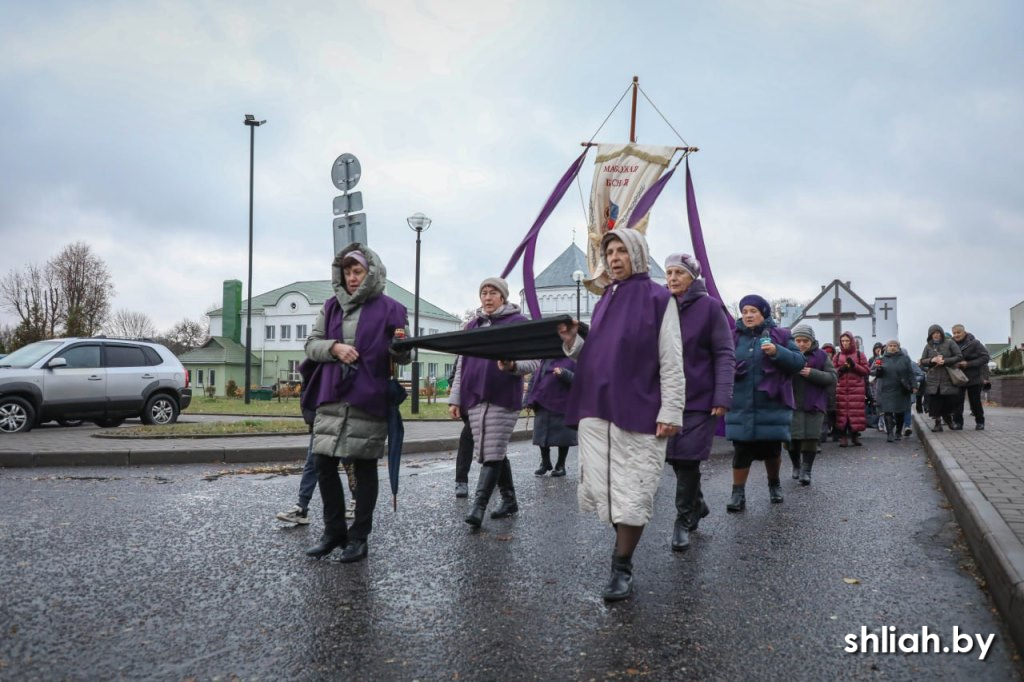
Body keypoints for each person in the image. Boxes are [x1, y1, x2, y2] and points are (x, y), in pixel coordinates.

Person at [558, 229, 684, 601]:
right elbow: (598, 352)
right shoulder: (605, 299)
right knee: (604, 489)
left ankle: (622, 565)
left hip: (640, 407)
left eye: (622, 252)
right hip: (597, 407)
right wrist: (572, 342)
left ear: (638, 255)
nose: (614, 258)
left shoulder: (659, 298)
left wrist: (671, 410)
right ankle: (621, 552)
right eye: (609, 252)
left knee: (633, 491)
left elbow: (671, 358)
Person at [301, 244, 410, 562]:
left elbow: (403, 355)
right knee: (323, 464)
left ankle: (359, 538)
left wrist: (401, 349)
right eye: (347, 271)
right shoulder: (330, 306)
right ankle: (334, 532)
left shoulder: (392, 308)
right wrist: (334, 347)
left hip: (368, 396)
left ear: (370, 273)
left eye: (358, 271)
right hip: (331, 395)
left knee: (363, 468)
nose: (351, 277)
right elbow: (311, 344)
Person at [448, 277, 538, 528]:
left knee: (492, 451)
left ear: (503, 297)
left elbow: (534, 361)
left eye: (492, 293)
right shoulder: (472, 326)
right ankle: (509, 499)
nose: (487, 298)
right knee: (494, 450)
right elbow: (461, 365)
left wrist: (512, 365)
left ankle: (478, 506)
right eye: (483, 293)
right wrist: (456, 399)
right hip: (475, 397)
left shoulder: (517, 324)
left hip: (503, 397)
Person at [663, 253, 733, 552]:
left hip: (700, 397)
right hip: (667, 396)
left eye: (679, 273)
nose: (672, 278)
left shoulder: (710, 307)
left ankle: (683, 521)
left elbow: (724, 353)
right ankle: (698, 502)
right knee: (673, 457)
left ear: (692, 277)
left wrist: (722, 395)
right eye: (668, 273)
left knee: (688, 457)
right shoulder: (662, 306)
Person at [725, 295, 805, 511]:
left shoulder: (781, 335)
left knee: (772, 449)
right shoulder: (732, 337)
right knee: (741, 450)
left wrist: (777, 351)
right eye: (745, 311)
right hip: (741, 404)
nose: (748, 315)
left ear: (764, 313)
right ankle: (737, 494)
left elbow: (798, 363)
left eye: (753, 311)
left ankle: (774, 485)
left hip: (772, 404)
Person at [787, 325, 836, 485]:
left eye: (805, 341)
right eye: (798, 340)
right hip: (791, 403)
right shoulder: (786, 354)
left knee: (810, 439)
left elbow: (832, 378)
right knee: (792, 440)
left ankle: (806, 470)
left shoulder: (821, 356)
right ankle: (796, 466)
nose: (801, 344)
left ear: (812, 341)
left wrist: (812, 373)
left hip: (814, 404)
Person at [524, 358, 577, 477]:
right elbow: (534, 380)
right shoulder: (544, 359)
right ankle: (545, 462)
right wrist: (527, 400)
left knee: (564, 437)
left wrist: (564, 373)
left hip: (563, 404)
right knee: (541, 434)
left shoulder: (572, 359)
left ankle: (561, 465)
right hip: (542, 401)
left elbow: (580, 380)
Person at [920, 324, 963, 432]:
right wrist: (932, 360)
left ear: (941, 334)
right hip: (933, 379)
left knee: (948, 401)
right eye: (934, 333)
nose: (936, 335)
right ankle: (937, 423)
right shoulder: (928, 346)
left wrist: (946, 361)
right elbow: (922, 361)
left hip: (947, 377)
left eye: (938, 333)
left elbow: (959, 356)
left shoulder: (950, 342)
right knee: (935, 403)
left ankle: (949, 420)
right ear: (930, 335)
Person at [870, 340, 914, 443]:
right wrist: (878, 370)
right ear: (886, 348)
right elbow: (873, 372)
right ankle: (890, 434)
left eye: (895, 346)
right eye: (890, 346)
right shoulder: (880, 359)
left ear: (898, 347)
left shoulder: (905, 359)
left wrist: (914, 385)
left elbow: (910, 373)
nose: (893, 347)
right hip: (886, 389)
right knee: (888, 412)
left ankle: (898, 432)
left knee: (899, 412)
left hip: (901, 389)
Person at [951, 324, 990, 430]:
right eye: (954, 333)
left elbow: (985, 357)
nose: (956, 335)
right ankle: (958, 423)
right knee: (957, 401)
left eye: (958, 332)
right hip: (958, 377)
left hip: (974, 377)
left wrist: (968, 364)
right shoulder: (951, 343)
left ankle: (980, 422)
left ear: (964, 332)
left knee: (975, 401)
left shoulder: (975, 343)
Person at [833, 331, 869, 447]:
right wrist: (841, 369)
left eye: (847, 341)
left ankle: (854, 435)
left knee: (855, 412)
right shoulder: (837, 356)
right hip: (842, 388)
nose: (845, 343)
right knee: (842, 413)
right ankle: (843, 436)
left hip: (856, 388)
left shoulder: (860, 355)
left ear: (852, 341)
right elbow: (832, 372)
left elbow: (866, 371)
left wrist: (854, 365)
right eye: (843, 341)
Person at [449, 357, 475, 498]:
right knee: (488, 441)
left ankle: (461, 480)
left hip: (485, 400)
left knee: (467, 438)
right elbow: (455, 375)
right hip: (466, 403)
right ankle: (496, 475)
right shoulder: (463, 352)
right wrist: (456, 399)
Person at [821, 342, 839, 442]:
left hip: (836, 392)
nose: (828, 354)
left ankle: (836, 433)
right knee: (825, 416)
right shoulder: (820, 362)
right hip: (824, 392)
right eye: (826, 352)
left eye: (830, 352)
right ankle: (823, 435)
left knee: (834, 414)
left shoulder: (836, 362)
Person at [867, 342, 885, 432]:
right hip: (875, 383)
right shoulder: (873, 360)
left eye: (879, 348)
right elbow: (870, 371)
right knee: (877, 403)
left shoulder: (885, 359)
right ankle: (879, 422)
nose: (878, 350)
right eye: (876, 348)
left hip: (885, 384)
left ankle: (883, 422)